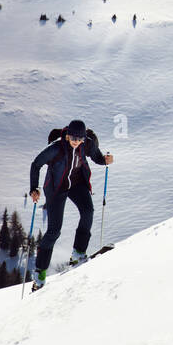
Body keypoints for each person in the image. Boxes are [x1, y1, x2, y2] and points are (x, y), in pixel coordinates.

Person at [28, 120, 114, 289]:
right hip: (56, 188)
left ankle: (78, 253)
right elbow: (36, 164)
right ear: (67, 136)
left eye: (79, 138)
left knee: (88, 211)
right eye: (73, 137)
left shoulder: (86, 144)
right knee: (54, 230)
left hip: (76, 183)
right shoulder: (55, 148)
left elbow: (96, 156)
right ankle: (39, 273)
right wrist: (34, 188)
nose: (76, 141)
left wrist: (105, 160)